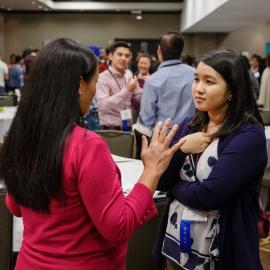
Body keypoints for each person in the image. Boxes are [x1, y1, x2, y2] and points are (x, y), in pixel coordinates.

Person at [0, 38, 185, 270]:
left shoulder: (22, 136)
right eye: (95, 81)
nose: (95, 90)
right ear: (80, 84)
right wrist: (152, 171)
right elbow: (118, 227)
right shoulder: (86, 145)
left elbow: (15, 206)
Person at [152, 50, 267, 270]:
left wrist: (175, 189)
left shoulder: (248, 135)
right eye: (196, 79)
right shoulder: (190, 124)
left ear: (232, 91)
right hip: (176, 241)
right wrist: (181, 149)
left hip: (222, 249)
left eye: (209, 81)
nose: (198, 88)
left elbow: (211, 195)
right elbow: (161, 180)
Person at [134, 32, 195, 159]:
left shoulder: (153, 80)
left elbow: (147, 119)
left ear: (159, 51)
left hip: (164, 142)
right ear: (181, 50)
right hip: (193, 138)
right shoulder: (195, 74)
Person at [96, 41, 142, 130]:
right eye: (119, 54)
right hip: (110, 129)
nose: (123, 58)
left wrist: (148, 85)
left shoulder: (128, 75)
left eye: (127, 56)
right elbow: (102, 106)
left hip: (127, 126)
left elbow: (138, 97)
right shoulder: (102, 78)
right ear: (110, 56)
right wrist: (127, 90)